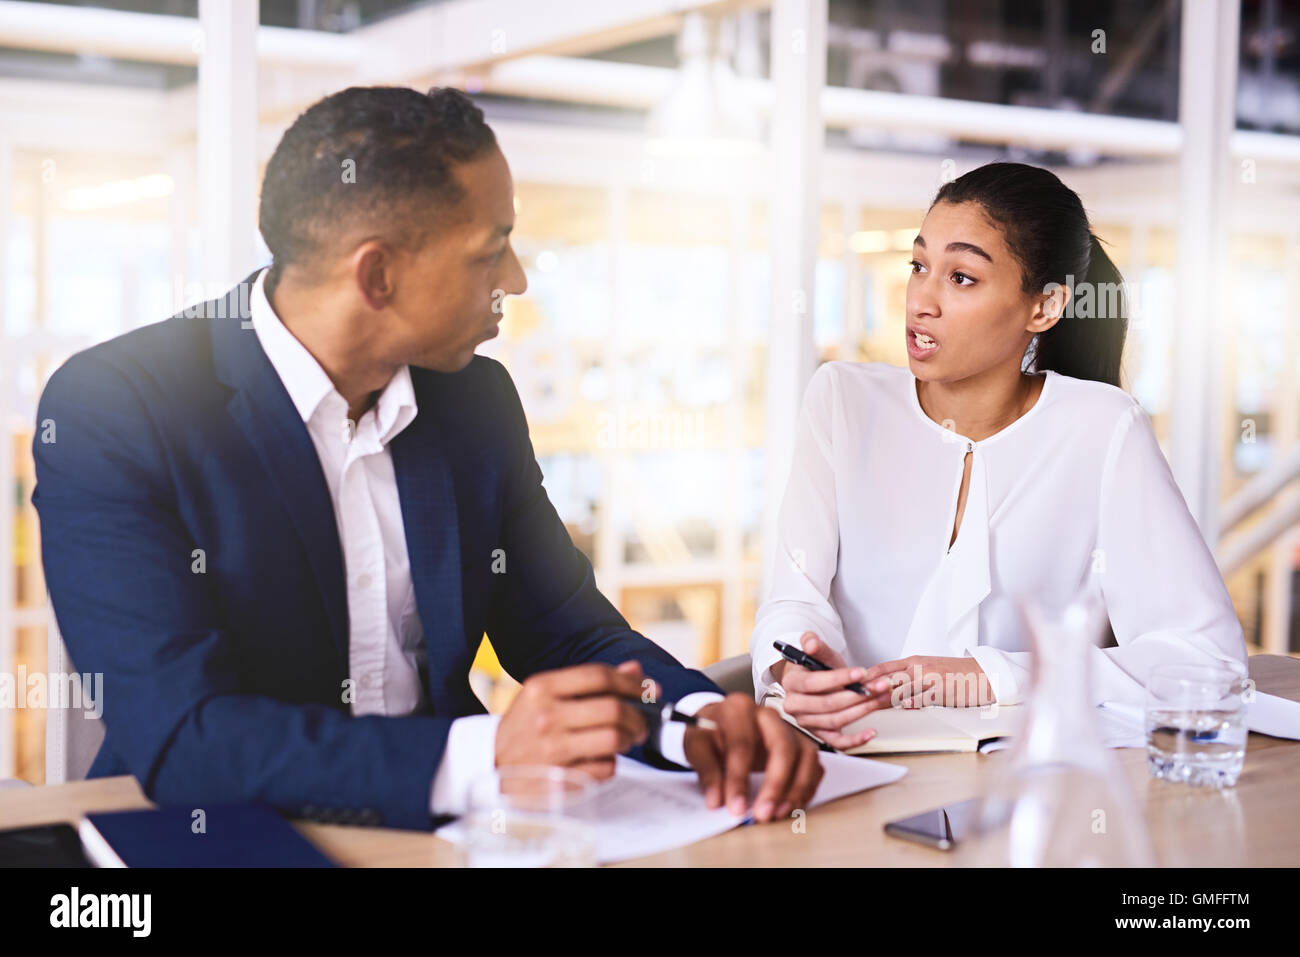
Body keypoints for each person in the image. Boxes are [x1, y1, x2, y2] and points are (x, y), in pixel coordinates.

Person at [33, 86, 821, 829]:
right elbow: (185, 734)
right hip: (228, 835)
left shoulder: (472, 401)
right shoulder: (117, 407)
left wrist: (697, 717)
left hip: (454, 833)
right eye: (492, 250)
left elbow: (566, 633)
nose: (513, 280)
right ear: (376, 273)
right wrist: (485, 754)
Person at [750, 162, 1247, 750]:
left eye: (961, 277)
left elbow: (1207, 661)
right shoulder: (842, 400)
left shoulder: (1102, 428)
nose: (921, 302)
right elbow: (794, 597)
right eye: (919, 266)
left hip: (1015, 784)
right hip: (848, 762)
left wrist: (994, 677)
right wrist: (792, 670)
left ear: (1045, 306)